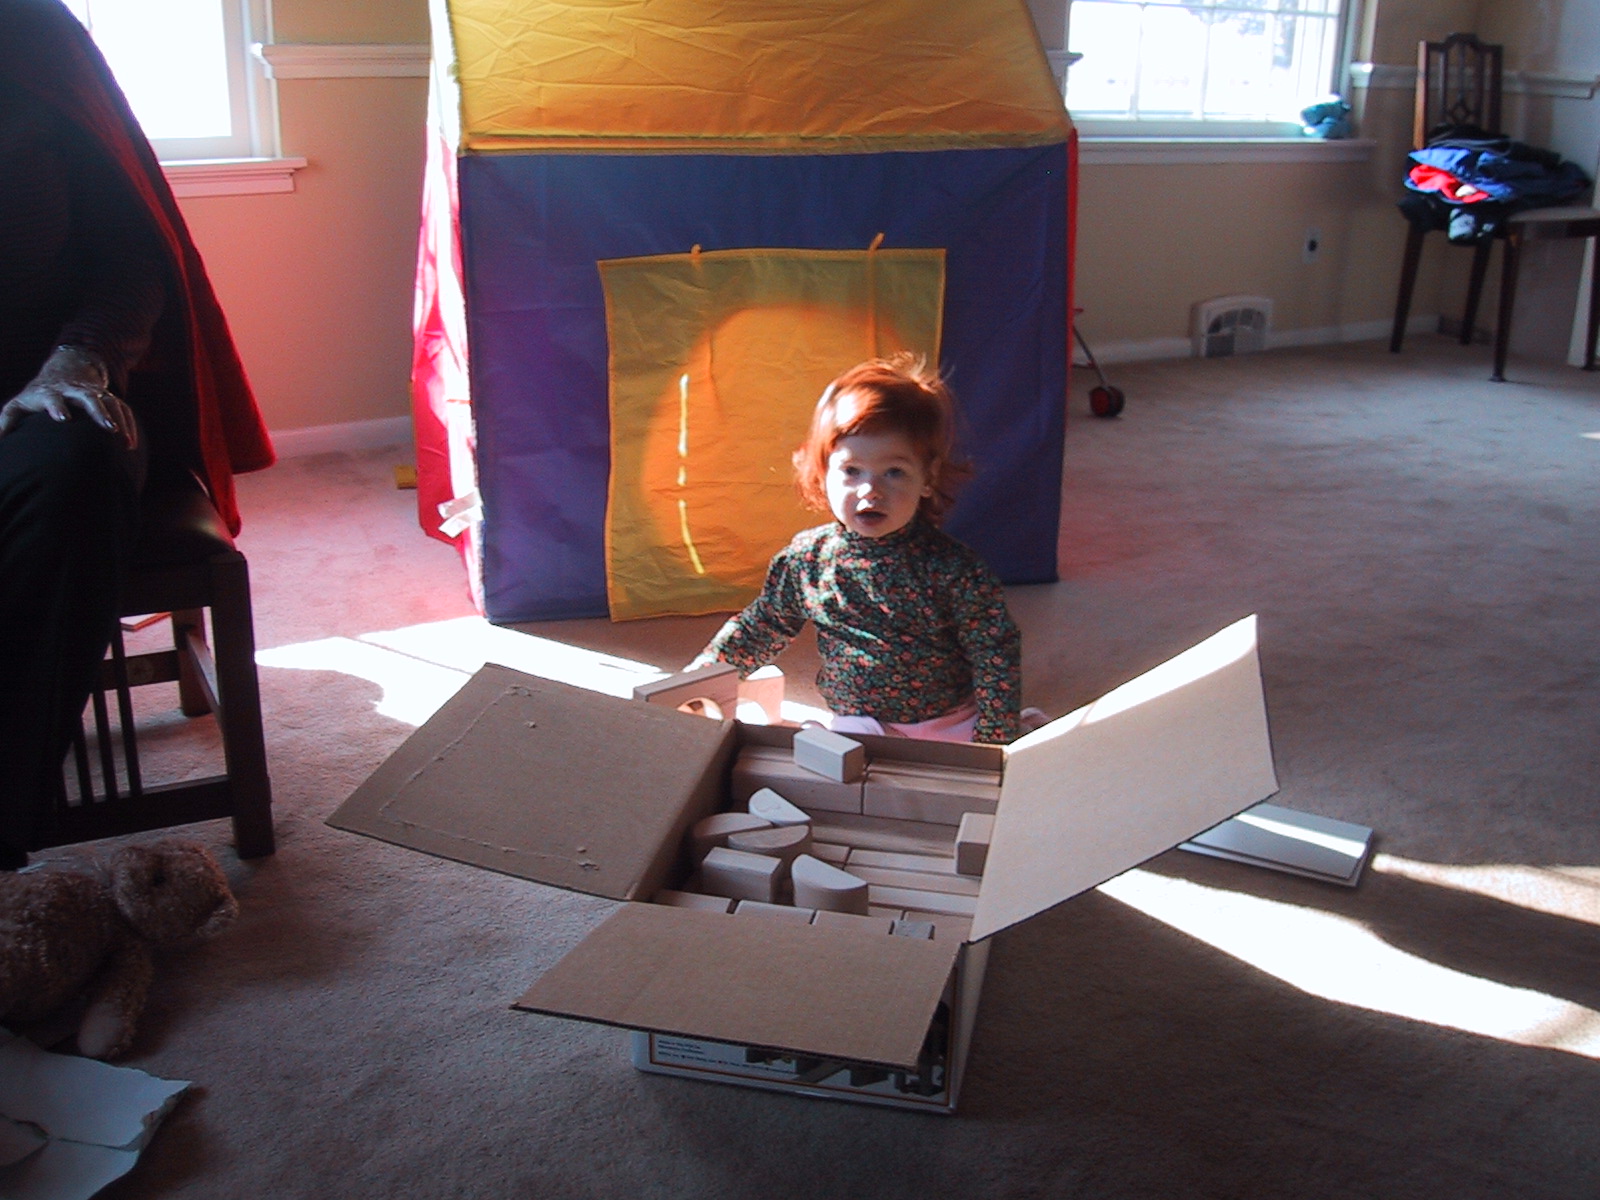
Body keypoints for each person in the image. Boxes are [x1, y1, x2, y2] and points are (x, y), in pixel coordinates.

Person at [0, 0, 274, 869]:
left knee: (73, 465)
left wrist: (80, 360)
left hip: (54, 380)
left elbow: (132, 255)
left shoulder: (32, 35)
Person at [691, 354, 1022, 744]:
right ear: (822, 474)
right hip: (860, 722)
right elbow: (762, 625)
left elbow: (994, 652)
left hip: (949, 722)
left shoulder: (954, 569)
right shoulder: (808, 561)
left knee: (1012, 763)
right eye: (851, 471)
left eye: (894, 472)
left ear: (927, 479)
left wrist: (994, 734)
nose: (871, 490)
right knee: (821, 760)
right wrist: (699, 678)